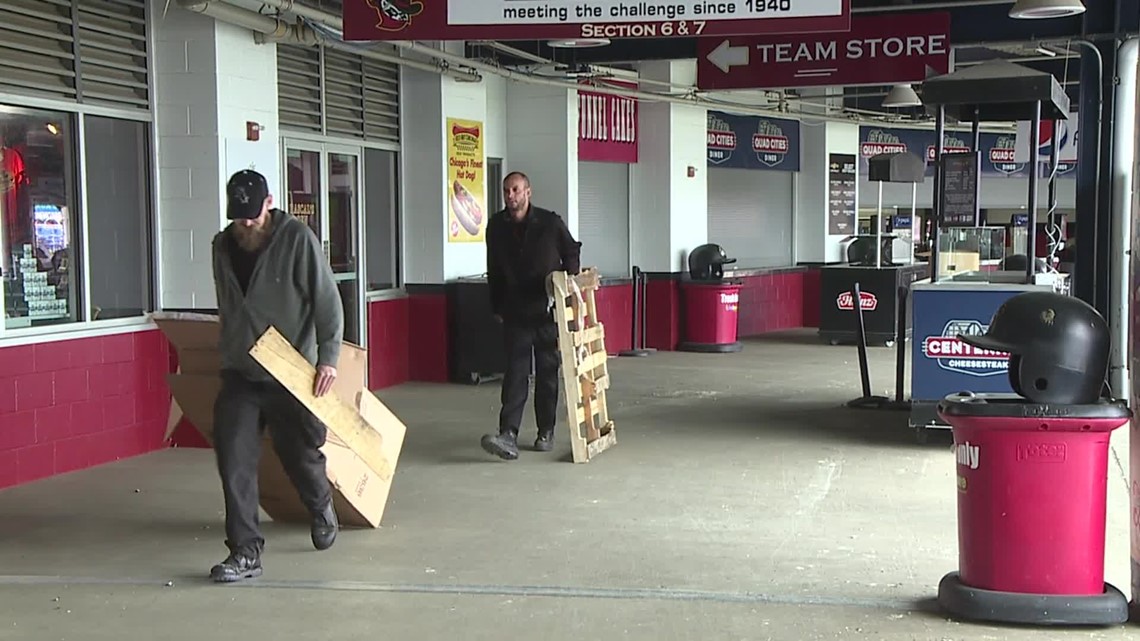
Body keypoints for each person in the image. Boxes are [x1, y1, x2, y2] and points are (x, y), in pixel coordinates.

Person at [208, 169, 345, 583]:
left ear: (269, 203)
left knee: (298, 452)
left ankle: (320, 502)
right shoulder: (222, 246)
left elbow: (327, 301)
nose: (245, 224)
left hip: (289, 370)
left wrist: (328, 358)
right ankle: (245, 551)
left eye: (252, 214)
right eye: (238, 217)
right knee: (233, 457)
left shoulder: (297, 239)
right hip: (240, 372)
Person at [480, 171, 581, 460]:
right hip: (515, 311)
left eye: (515, 190)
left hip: (548, 310)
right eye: (506, 191)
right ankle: (508, 433)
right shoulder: (496, 227)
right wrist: (496, 306)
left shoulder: (550, 223)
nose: (510, 196)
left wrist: (567, 283)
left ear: (528, 192)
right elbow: (494, 270)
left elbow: (571, 251)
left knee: (548, 373)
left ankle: (545, 431)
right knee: (515, 373)